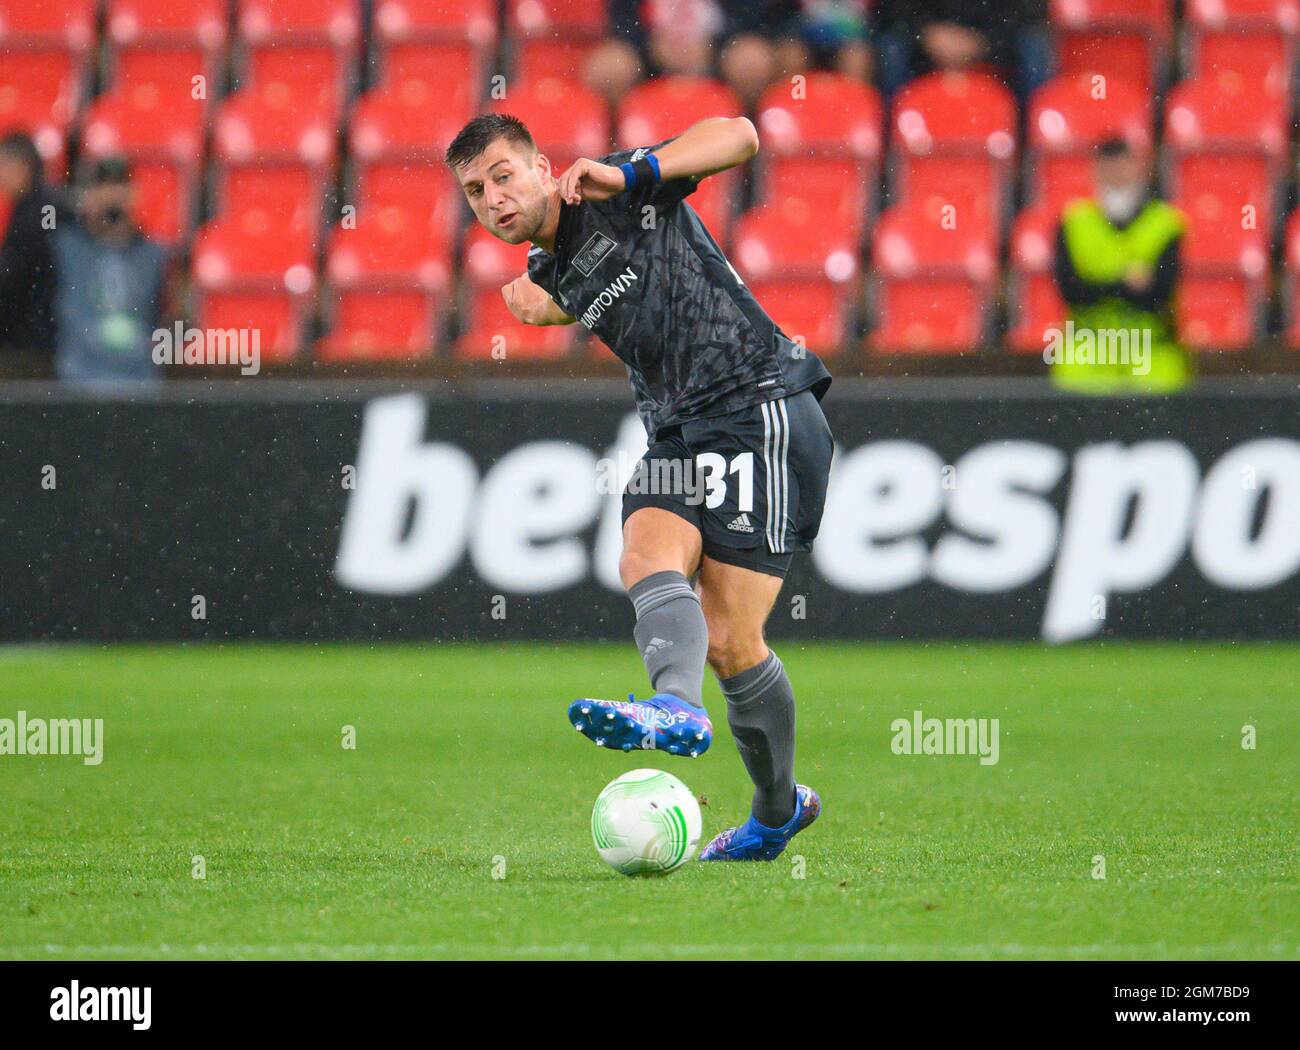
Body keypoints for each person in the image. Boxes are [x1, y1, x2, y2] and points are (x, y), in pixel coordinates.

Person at [445, 113, 834, 861]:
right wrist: (543, 303)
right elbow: (585, 284)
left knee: (731, 641)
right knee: (642, 555)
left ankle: (777, 810)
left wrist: (631, 173)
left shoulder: (613, 190)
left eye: (503, 175)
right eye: (474, 191)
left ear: (540, 167)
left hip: (759, 406)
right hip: (676, 431)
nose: (493, 197)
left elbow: (740, 135)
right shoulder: (551, 264)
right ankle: (675, 709)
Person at [1052, 138, 1191, 393]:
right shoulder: (1073, 222)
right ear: (1095, 170)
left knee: (1165, 383)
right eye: (1108, 166)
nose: (1115, 174)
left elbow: (1161, 292)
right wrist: (1125, 284)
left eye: (1122, 165)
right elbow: (1070, 291)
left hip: (1149, 350)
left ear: (1139, 168)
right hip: (1088, 349)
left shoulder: (1166, 223)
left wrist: (1101, 286)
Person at [53, 155, 167, 382]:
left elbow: (165, 318)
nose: (111, 195)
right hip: (79, 381)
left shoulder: (154, 255)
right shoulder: (64, 248)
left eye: (119, 186)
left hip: (138, 381)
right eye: (102, 187)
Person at [0, 131, 62, 363]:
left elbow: (18, 273)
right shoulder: (34, 207)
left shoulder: (42, 211)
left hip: (33, 336)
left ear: (22, 165)